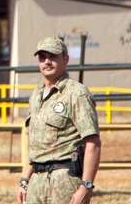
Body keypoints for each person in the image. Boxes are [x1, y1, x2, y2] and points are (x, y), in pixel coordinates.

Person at [16, 37, 102, 204]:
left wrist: (86, 185)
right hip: (37, 182)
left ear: (66, 59)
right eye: (42, 57)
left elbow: (93, 142)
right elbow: (37, 147)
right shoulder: (36, 96)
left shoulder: (76, 93)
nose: (47, 62)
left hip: (65, 180)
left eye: (53, 56)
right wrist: (25, 181)